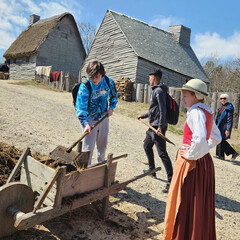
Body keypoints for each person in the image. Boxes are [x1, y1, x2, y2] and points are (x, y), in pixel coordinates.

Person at [162, 79, 222, 240]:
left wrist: (191, 154)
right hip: (204, 163)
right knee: (199, 202)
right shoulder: (207, 111)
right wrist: (202, 151)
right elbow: (216, 137)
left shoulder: (196, 112)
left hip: (192, 164)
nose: (182, 99)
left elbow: (200, 137)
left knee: (186, 200)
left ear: (196, 96)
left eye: (185, 96)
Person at [75, 61, 118, 165]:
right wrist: (85, 124)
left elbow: (114, 95)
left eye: (97, 76)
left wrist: (111, 108)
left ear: (102, 74)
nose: (94, 80)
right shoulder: (85, 86)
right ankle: (86, 168)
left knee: (102, 144)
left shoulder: (108, 82)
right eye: (91, 77)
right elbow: (81, 107)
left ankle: (100, 165)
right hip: (89, 119)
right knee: (88, 147)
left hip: (104, 117)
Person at [137, 69, 173, 193]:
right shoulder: (156, 91)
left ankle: (171, 180)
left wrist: (161, 127)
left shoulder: (159, 91)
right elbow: (154, 110)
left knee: (162, 153)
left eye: (149, 78)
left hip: (158, 128)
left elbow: (163, 110)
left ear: (153, 78)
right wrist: (143, 115)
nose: (148, 80)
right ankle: (152, 170)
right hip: (151, 127)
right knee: (146, 146)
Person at [215, 93, 239, 160]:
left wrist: (227, 129)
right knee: (219, 139)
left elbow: (229, 119)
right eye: (221, 98)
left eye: (224, 98)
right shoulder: (221, 107)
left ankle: (234, 153)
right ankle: (220, 155)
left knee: (222, 140)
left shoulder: (229, 107)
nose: (223, 100)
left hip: (224, 127)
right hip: (219, 126)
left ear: (227, 99)